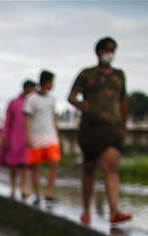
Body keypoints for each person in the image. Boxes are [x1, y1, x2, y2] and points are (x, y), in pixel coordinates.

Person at [68, 36, 133, 225]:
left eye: (112, 50)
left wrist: (124, 126)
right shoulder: (87, 74)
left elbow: (123, 101)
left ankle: (114, 211)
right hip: (91, 130)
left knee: (112, 164)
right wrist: (82, 105)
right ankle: (86, 210)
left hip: (112, 129)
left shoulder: (119, 75)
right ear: (97, 52)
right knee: (89, 168)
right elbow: (71, 97)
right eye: (105, 50)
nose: (109, 54)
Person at [24, 70, 61, 205]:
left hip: (51, 137)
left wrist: (57, 134)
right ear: (46, 82)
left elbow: (53, 118)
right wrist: (28, 137)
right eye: (52, 82)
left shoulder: (52, 99)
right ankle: (37, 193)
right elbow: (26, 119)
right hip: (36, 138)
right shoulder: (31, 99)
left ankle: (49, 193)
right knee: (35, 167)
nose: (53, 85)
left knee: (54, 164)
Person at [0, 80, 35, 199]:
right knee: (13, 165)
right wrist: (5, 137)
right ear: (27, 88)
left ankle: (24, 188)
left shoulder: (32, 103)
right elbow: (8, 121)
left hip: (28, 138)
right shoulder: (14, 103)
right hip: (14, 137)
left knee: (25, 165)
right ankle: (13, 187)